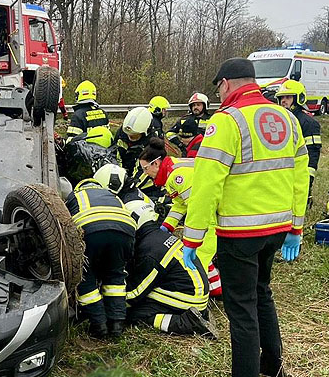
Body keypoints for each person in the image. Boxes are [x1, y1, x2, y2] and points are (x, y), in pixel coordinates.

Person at [183, 57, 310, 377]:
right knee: (262, 293)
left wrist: (192, 239)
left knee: (241, 309)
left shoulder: (225, 122)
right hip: (277, 230)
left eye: (218, 87)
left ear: (225, 84)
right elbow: (301, 177)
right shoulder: (287, 118)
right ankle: (273, 366)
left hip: (239, 233)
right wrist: (295, 227)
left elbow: (206, 186)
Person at [138, 142, 221, 295]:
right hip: (209, 210)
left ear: (155, 163)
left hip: (211, 215)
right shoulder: (171, 171)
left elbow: (197, 208)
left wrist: (193, 235)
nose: (145, 173)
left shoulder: (177, 176)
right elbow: (180, 204)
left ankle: (208, 290)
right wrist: (167, 226)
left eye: (145, 168)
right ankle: (216, 288)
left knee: (200, 255)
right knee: (200, 254)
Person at [125, 202, 217, 338]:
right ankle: (197, 314)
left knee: (135, 314)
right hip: (195, 293)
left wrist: (112, 302)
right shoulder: (157, 237)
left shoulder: (150, 249)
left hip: (188, 298)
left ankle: (188, 323)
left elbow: (136, 292)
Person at [66, 178, 136, 338]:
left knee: (85, 277)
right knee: (115, 276)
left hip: (90, 230)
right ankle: (117, 324)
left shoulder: (74, 196)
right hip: (125, 231)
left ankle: (99, 326)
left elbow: (64, 222)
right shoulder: (112, 195)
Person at [275, 80, 321, 202]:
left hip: (297, 174)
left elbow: (312, 153)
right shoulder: (277, 120)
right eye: (281, 97)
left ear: (298, 99)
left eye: (288, 97)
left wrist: (308, 181)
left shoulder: (309, 123)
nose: (284, 100)